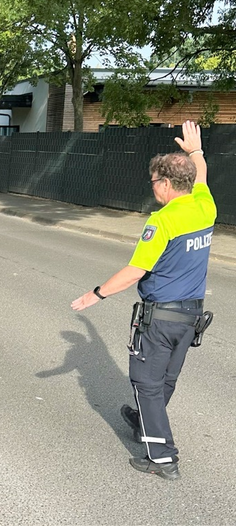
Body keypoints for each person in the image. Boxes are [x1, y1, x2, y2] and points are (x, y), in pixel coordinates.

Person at [71, 120, 216, 481]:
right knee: (165, 378)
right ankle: (142, 421)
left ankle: (163, 458)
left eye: (153, 181)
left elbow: (136, 269)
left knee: (146, 383)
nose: (152, 187)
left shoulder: (163, 220)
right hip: (190, 316)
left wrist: (96, 294)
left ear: (166, 184)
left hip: (161, 318)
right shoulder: (205, 205)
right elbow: (202, 178)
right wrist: (195, 152)